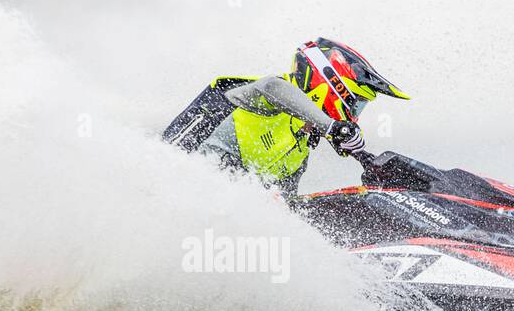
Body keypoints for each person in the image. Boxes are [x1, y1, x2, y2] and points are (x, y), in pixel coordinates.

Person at [162, 37, 410, 194]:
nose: (354, 115)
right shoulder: (270, 94)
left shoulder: (300, 150)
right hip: (171, 186)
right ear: (333, 85)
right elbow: (272, 87)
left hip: (209, 209)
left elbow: (284, 208)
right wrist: (332, 127)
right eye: (355, 104)